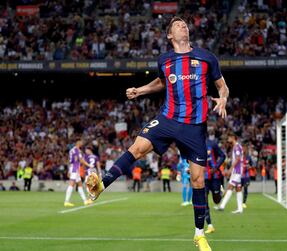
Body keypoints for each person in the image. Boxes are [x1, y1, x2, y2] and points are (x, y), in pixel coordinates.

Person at [86, 16, 229, 251]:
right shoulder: (165, 60)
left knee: (197, 179)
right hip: (167, 118)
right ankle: (102, 185)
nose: (184, 26)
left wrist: (222, 99)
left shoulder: (206, 57)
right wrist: (140, 91)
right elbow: (161, 83)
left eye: (185, 24)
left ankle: (199, 234)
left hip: (194, 125)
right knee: (137, 148)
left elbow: (223, 86)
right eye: (178, 25)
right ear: (170, 35)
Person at [215, 132, 244, 213]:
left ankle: (222, 206)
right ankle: (240, 209)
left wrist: (230, 169)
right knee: (238, 188)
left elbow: (238, 159)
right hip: (237, 170)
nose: (228, 139)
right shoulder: (236, 146)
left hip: (237, 170)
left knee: (230, 186)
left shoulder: (237, 147)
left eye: (229, 137)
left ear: (233, 137)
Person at [204, 134, 225, 234]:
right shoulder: (194, 144)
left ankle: (220, 191)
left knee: (216, 200)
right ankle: (210, 225)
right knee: (204, 201)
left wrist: (215, 168)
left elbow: (223, 156)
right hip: (202, 177)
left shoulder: (212, 144)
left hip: (214, 176)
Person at [64, 140, 94, 207]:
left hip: (74, 168)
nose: (82, 144)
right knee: (71, 184)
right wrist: (89, 165)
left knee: (80, 184)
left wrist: (69, 170)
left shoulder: (72, 150)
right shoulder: (77, 150)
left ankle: (85, 201)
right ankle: (66, 201)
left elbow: (71, 160)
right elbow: (81, 160)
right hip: (74, 169)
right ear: (78, 143)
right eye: (81, 143)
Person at [241, 142, 251, 209]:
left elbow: (252, 165)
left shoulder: (248, 157)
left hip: (246, 176)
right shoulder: (239, 157)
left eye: (245, 148)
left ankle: (244, 202)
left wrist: (249, 166)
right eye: (242, 148)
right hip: (240, 175)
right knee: (238, 189)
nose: (244, 150)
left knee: (245, 188)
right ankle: (239, 203)